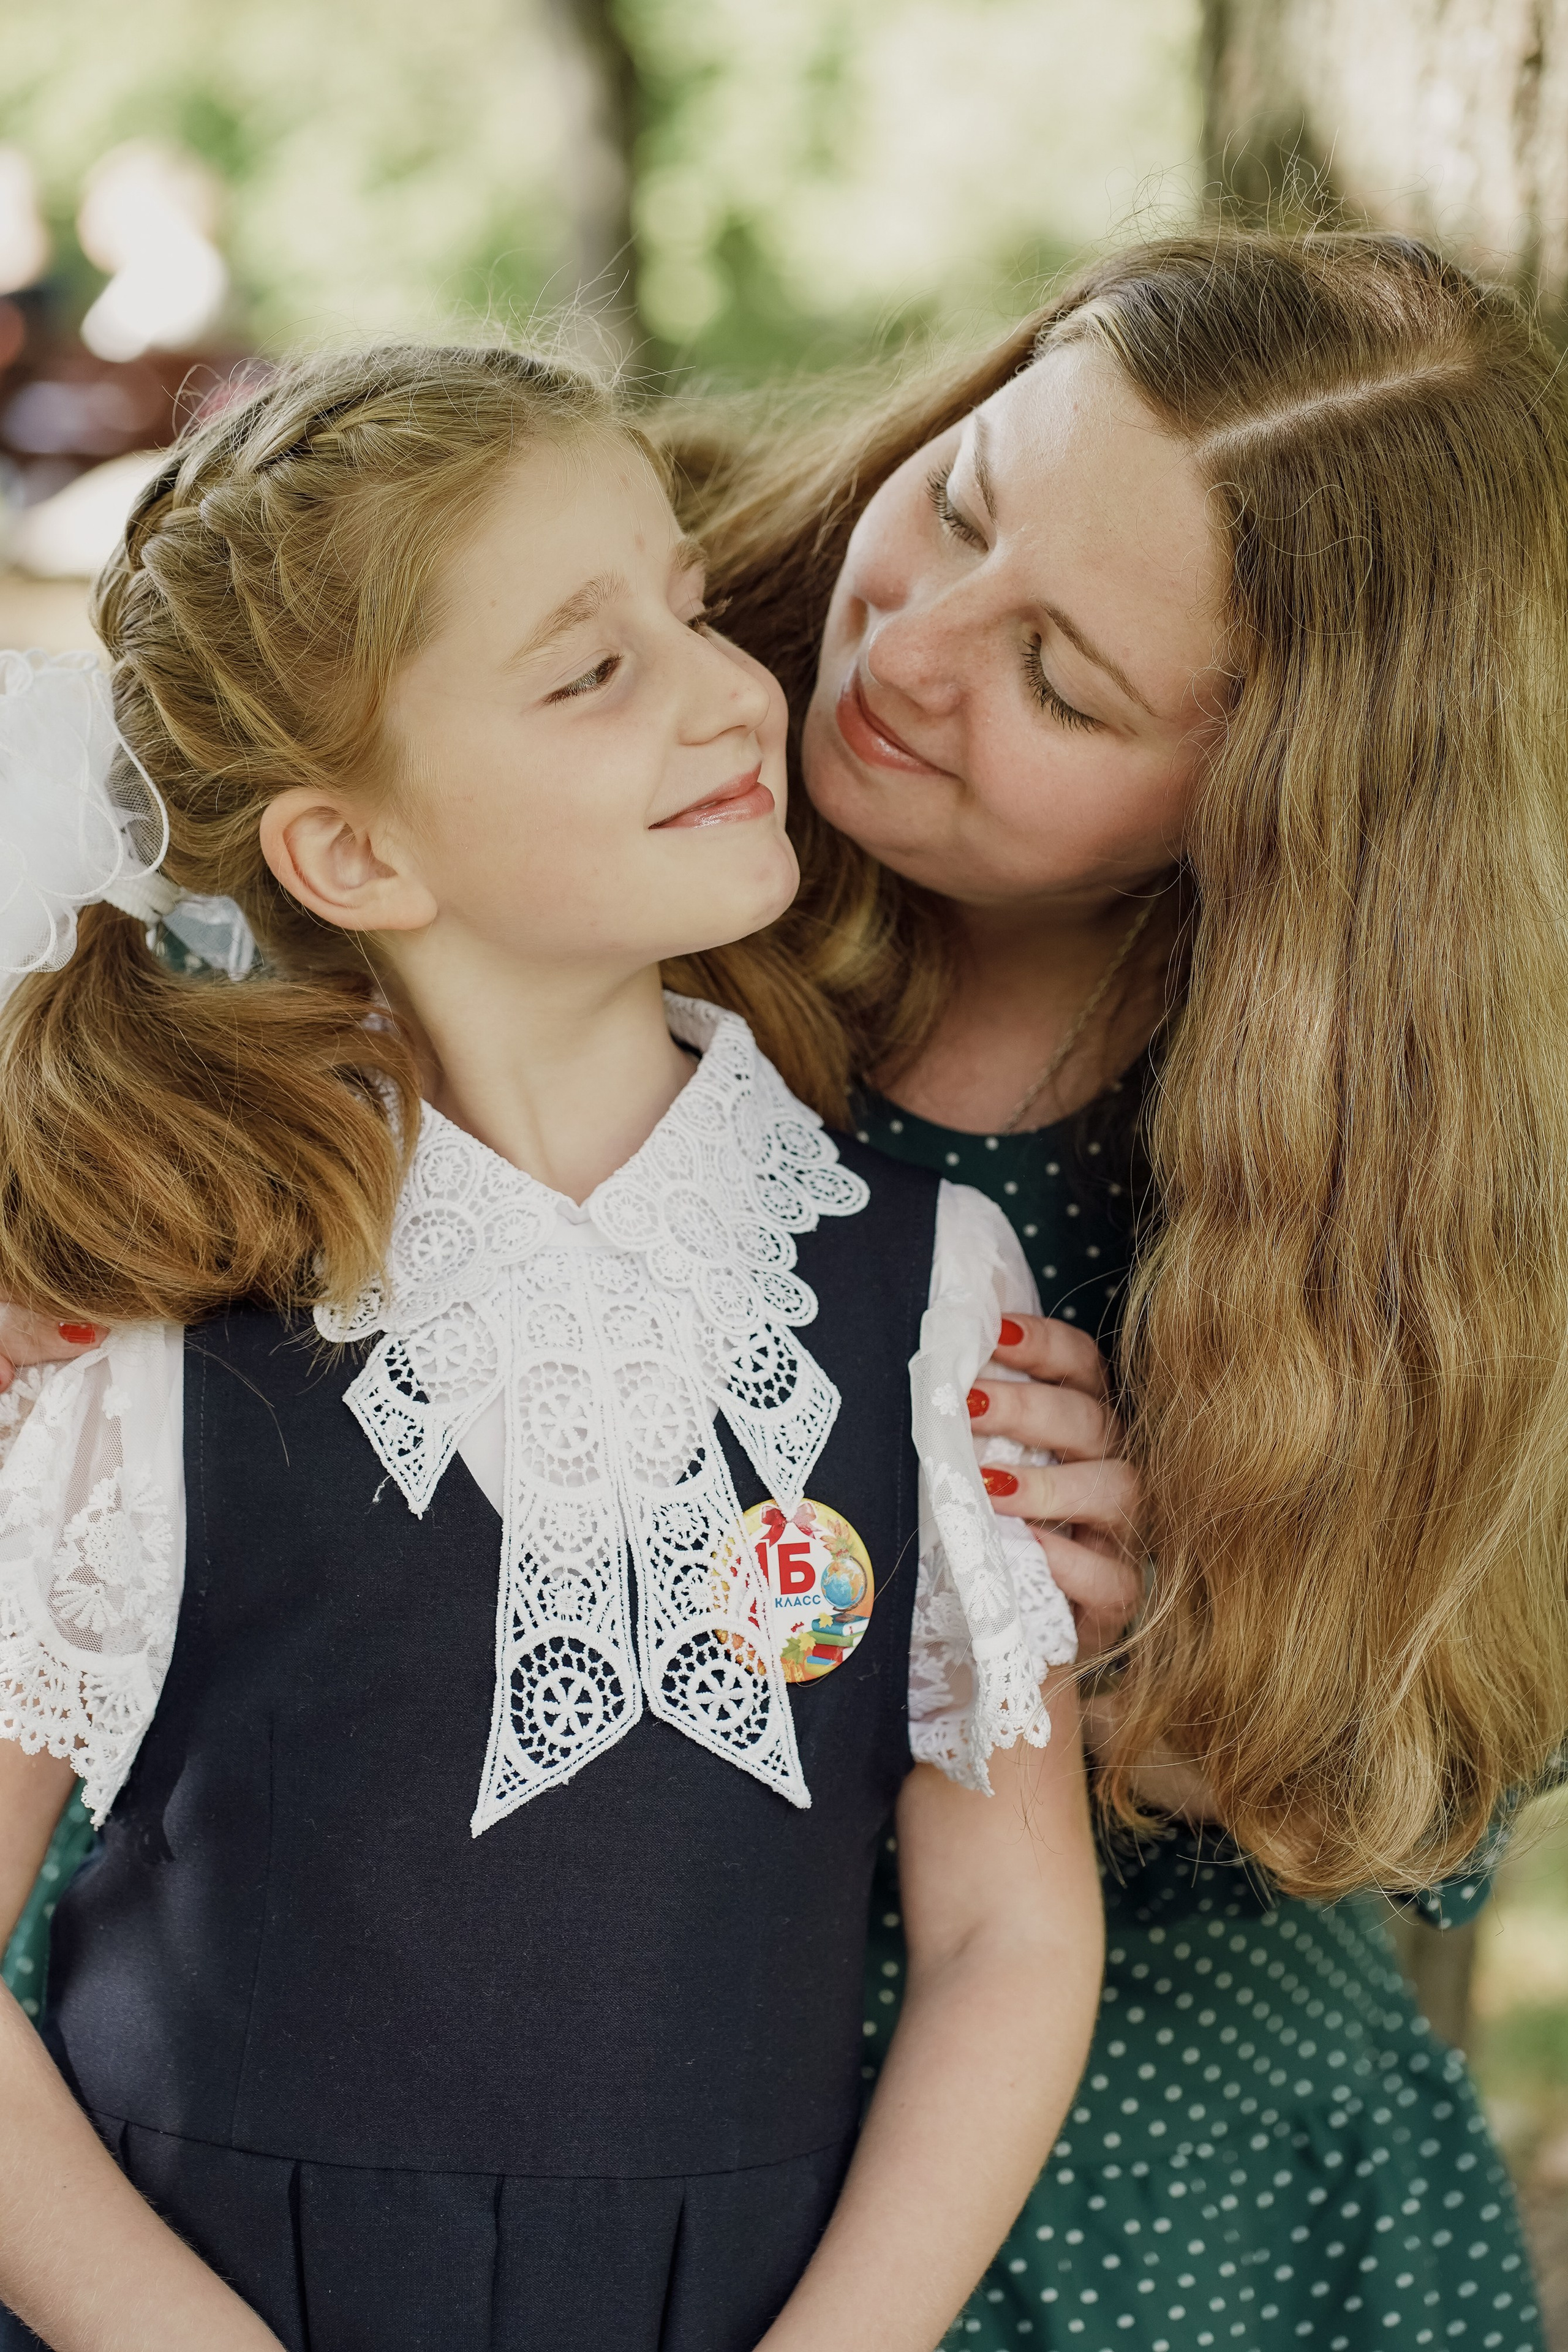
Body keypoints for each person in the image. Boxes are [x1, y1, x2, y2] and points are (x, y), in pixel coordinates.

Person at [0, 345, 1105, 2351]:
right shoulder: (150, 1322)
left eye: (687, 609)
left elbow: (1012, 1932)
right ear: (353, 856)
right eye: (591, 671)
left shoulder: (924, 1284)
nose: (731, 686)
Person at [666, 228, 1568, 2347]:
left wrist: (1211, 1640)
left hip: (1153, 2193)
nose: (914, 648)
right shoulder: (624, 718)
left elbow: (1459, 1755)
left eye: (1066, 681)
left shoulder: (1434, 1167)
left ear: (1286, 812)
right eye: (960, 502)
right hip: (546, 2061)